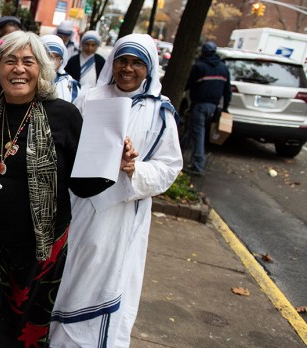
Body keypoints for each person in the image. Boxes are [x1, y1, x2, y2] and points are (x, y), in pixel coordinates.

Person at [0, 31, 107, 347]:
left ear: (40, 69)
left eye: (28, 61)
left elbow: (84, 184)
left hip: (43, 248)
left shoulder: (65, 115)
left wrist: (114, 160)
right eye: (9, 61)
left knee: (26, 331)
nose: (19, 69)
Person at [50, 33, 183, 348]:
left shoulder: (161, 112)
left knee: (108, 279)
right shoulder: (90, 98)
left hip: (121, 216)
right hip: (80, 208)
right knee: (70, 275)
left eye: (137, 62)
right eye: (123, 60)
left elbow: (169, 167)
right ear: (113, 62)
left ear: (148, 68)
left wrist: (134, 167)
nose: (128, 68)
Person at [184, 41, 232, 175]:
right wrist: (225, 108)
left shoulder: (199, 67)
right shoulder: (223, 68)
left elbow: (188, 85)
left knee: (198, 133)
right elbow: (227, 91)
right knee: (193, 131)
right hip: (213, 107)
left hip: (199, 105)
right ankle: (179, 156)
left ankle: (198, 165)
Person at [40, 34, 80, 103]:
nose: (53, 61)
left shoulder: (71, 84)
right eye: (49, 56)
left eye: (57, 57)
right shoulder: (31, 80)